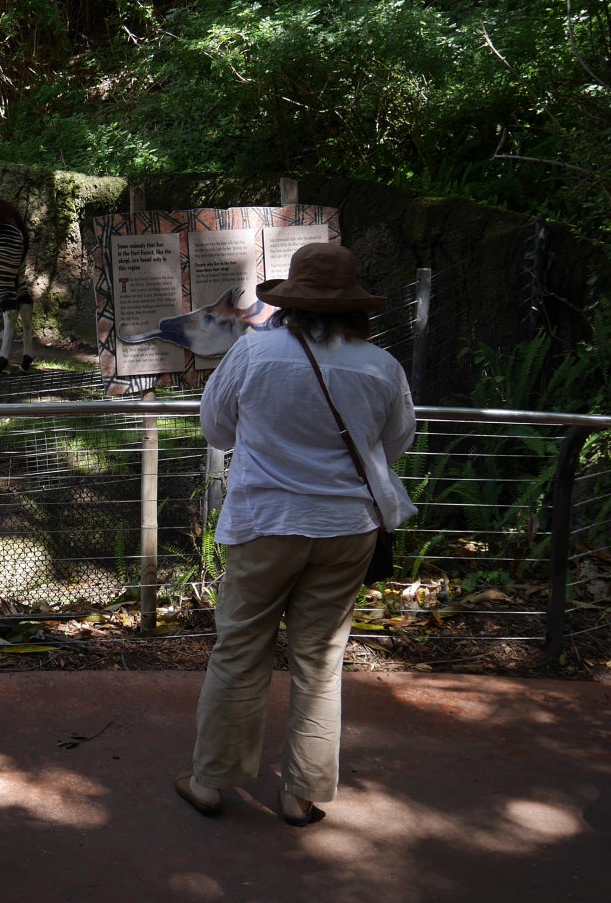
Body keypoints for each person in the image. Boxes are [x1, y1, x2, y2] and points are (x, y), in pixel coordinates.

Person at [175, 242, 416, 827]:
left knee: (239, 650)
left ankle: (211, 782)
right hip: (346, 530)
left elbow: (216, 427)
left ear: (290, 301)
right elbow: (394, 444)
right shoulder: (381, 366)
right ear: (356, 307)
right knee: (320, 660)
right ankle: (300, 794)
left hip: (266, 525)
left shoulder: (254, 353)